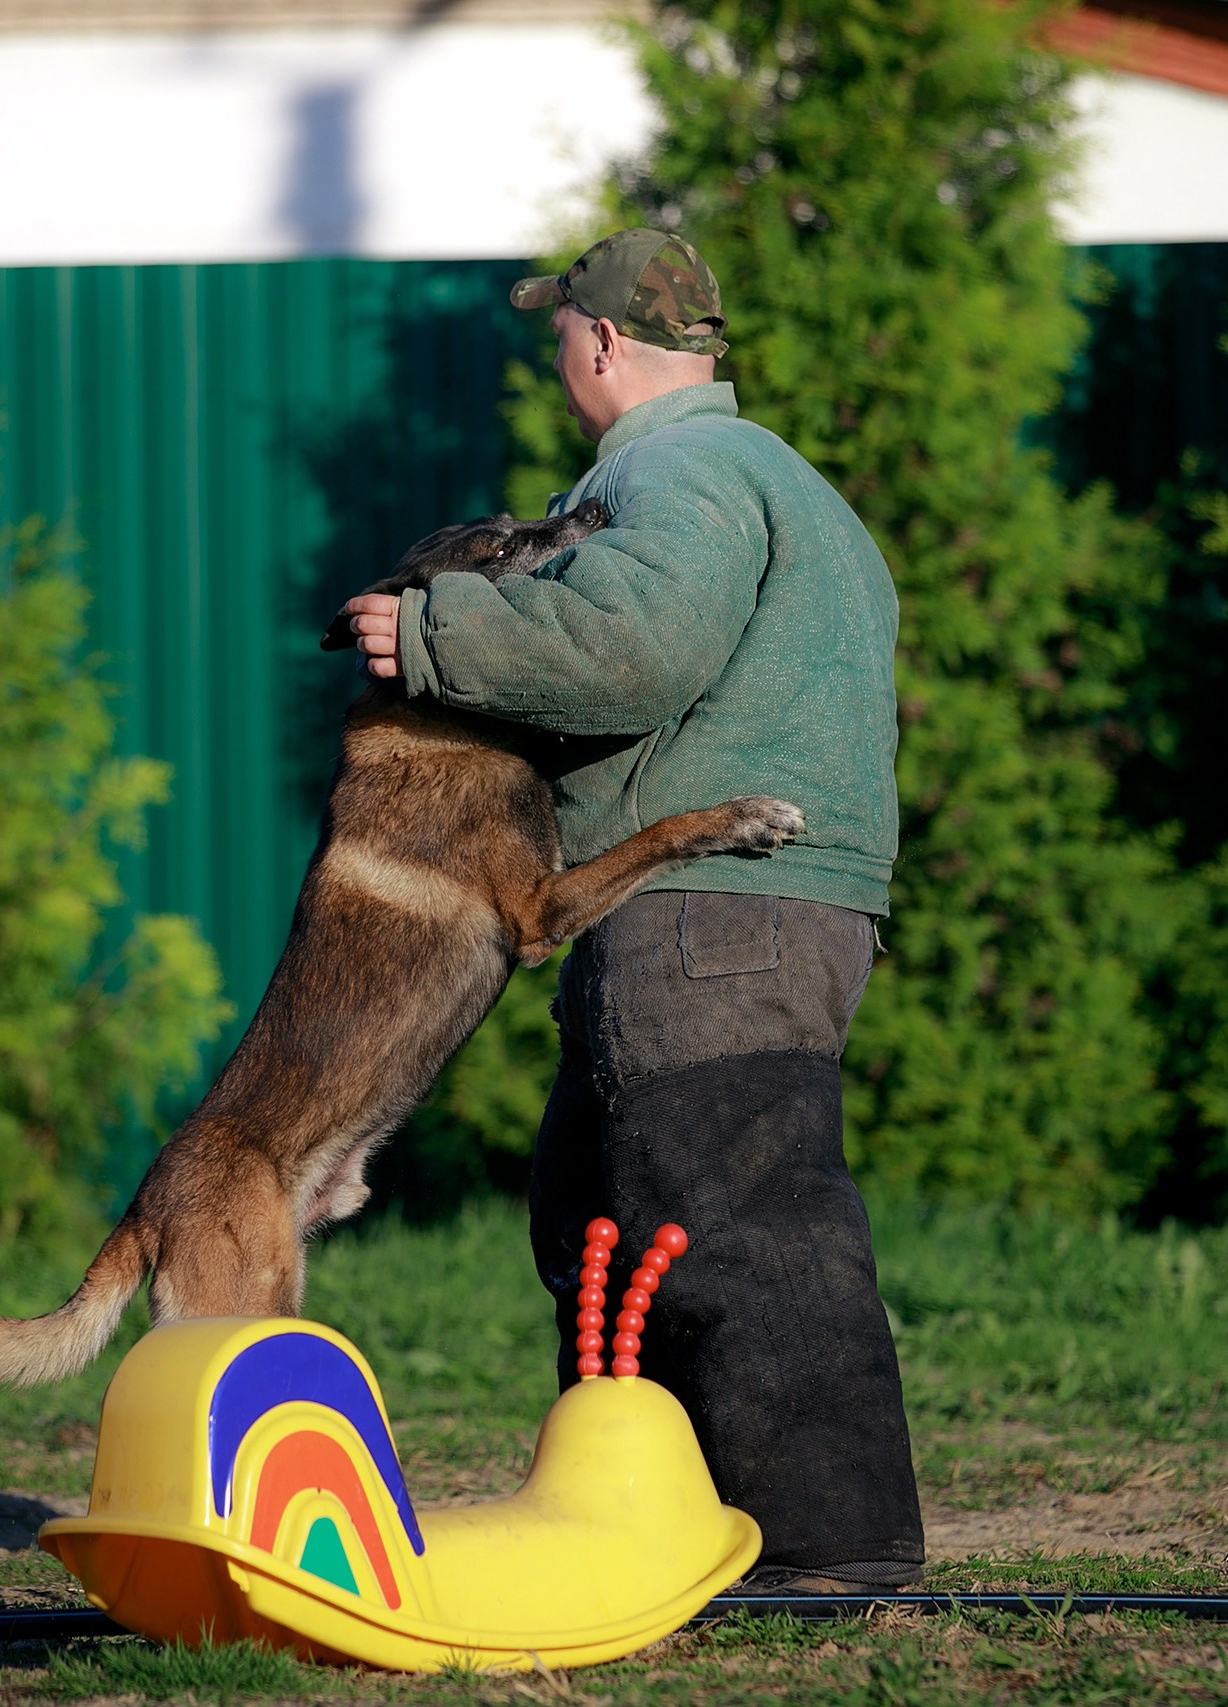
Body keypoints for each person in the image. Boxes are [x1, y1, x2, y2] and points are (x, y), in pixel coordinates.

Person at [338, 229, 923, 1591]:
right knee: (596, 1213)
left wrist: (434, 637)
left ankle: (827, 1548)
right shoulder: (778, 477)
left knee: (737, 1213)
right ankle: (645, 1518)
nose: (556, 360)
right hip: (752, 905)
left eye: (560, 337)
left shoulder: (680, 474)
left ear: (602, 343)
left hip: (714, 908)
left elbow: (631, 651)